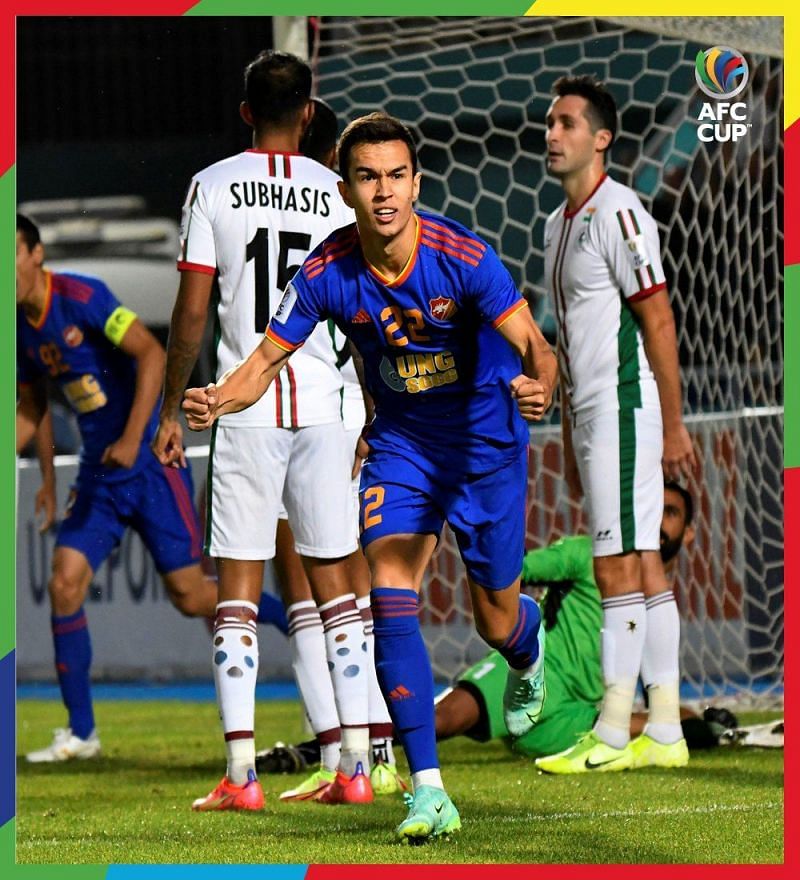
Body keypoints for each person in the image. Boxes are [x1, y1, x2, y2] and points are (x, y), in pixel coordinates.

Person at [181, 112, 559, 842]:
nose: (384, 192)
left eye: (396, 176)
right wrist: (217, 399)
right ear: (346, 188)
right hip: (403, 444)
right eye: (367, 177)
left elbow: (534, 346)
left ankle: (526, 644)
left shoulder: (464, 257)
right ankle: (428, 791)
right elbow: (263, 362)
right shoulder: (325, 271)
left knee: (496, 617)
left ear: (415, 182)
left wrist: (539, 387)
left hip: (485, 442)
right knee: (388, 594)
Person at [152, 51, 371, 812]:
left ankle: (242, 776)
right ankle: (356, 764)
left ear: (246, 111)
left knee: (240, 594)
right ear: (309, 115)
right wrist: (371, 406)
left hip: (241, 404)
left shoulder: (211, 185)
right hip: (325, 401)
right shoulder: (339, 192)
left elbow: (190, 312)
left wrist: (173, 405)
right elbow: (364, 306)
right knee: (340, 587)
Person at [15, 213, 218, 763]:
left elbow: (152, 354)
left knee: (194, 597)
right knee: (64, 583)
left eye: (11, 253)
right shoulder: (17, 327)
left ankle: (299, 618)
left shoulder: (83, 295)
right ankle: (82, 733)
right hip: (100, 473)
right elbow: (33, 407)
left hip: (149, 461)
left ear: (36, 255)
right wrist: (49, 483)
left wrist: (135, 437)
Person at [540, 74, 697, 773]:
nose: (553, 133)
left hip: (628, 404)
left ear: (601, 138)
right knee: (641, 567)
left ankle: (610, 732)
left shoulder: (621, 212)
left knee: (616, 566)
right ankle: (663, 730)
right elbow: (573, 340)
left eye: (568, 123)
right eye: (550, 122)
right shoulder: (557, 224)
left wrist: (674, 421)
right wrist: (574, 433)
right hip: (593, 412)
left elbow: (657, 317)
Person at [435, 482, 735, 764]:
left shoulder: (659, 610)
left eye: (670, 513)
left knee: (683, 719)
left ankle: (718, 733)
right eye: (652, 508)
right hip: (531, 674)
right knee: (442, 721)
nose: (657, 520)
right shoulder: (586, 553)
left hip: (577, 715)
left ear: (689, 532)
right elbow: (518, 570)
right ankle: (386, 743)